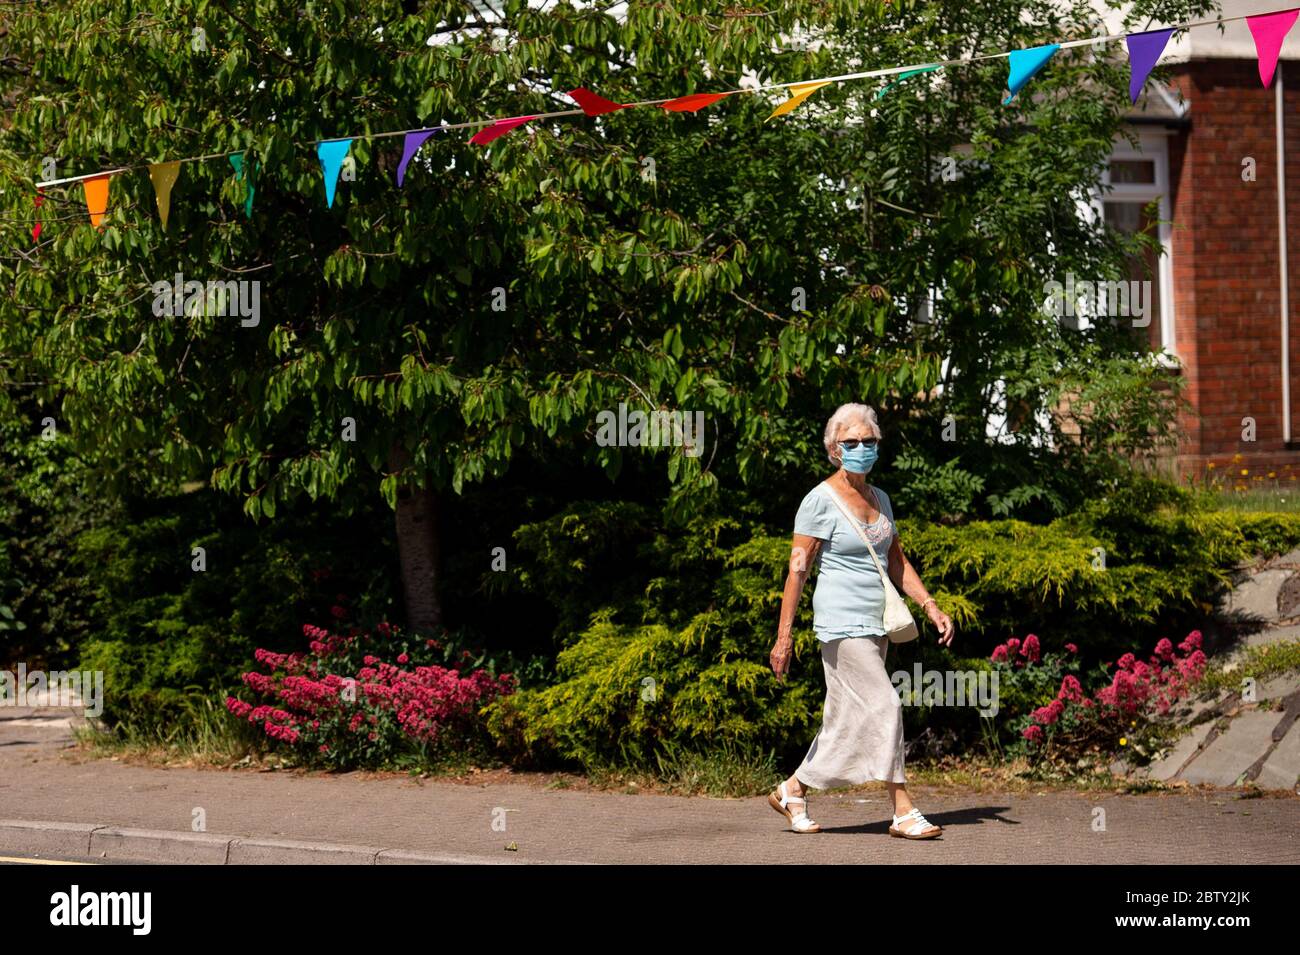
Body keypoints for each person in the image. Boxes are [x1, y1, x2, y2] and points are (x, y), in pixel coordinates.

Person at [768, 402, 955, 839]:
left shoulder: (880, 498)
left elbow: (896, 560)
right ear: (834, 449)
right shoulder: (819, 500)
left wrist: (931, 605)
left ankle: (792, 789)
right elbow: (798, 569)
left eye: (868, 442)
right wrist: (783, 637)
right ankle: (903, 810)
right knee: (886, 704)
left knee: (846, 721)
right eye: (850, 443)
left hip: (877, 623)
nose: (860, 449)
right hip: (840, 623)